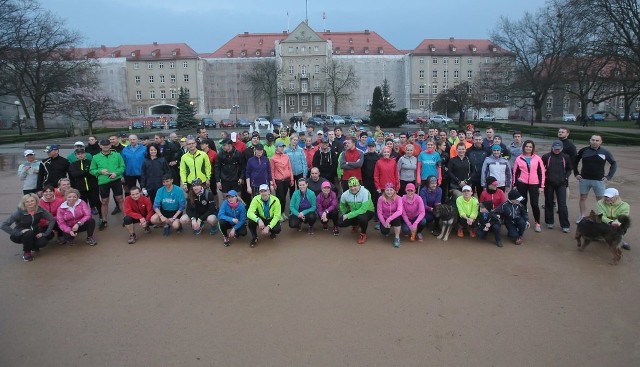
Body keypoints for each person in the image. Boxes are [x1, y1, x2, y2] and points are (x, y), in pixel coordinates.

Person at [574, 134, 617, 223]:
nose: (595, 142)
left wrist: (608, 177)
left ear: (601, 142)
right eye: (593, 140)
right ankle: (582, 216)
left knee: (601, 200)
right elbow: (575, 161)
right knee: (582, 198)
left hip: (599, 180)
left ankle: (602, 218)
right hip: (584, 179)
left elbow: (614, 164)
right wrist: (576, 173)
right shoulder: (583, 151)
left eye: (597, 140)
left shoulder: (605, 152)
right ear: (590, 140)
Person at [2, 193, 55, 261]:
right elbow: (4, 225)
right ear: (24, 203)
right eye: (27, 202)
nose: (30, 203)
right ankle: (27, 252)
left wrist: (45, 233)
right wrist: (18, 232)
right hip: (19, 234)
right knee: (28, 232)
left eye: (32, 201)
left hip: (35, 232)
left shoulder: (40, 210)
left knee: (47, 237)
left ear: (36, 201)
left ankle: (33, 246)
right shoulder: (19, 212)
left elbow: (52, 219)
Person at [90, 139, 126, 230]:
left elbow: (122, 166)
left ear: (110, 145)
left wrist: (116, 173)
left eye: (107, 145)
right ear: (100, 146)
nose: (105, 146)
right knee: (105, 201)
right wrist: (100, 171)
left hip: (115, 179)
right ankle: (104, 220)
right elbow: (91, 170)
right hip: (103, 181)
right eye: (103, 145)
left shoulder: (117, 155)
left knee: (120, 199)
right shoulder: (95, 157)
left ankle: (126, 218)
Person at [512, 140, 545, 233]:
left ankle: (537, 222)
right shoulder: (519, 158)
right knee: (523, 203)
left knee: (534, 204)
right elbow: (515, 172)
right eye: (527, 146)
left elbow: (541, 172)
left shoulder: (538, 158)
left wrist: (541, 186)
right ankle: (524, 220)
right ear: (524, 147)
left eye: (530, 147)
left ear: (533, 148)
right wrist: (514, 184)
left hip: (534, 184)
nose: (528, 148)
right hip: (522, 183)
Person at [541, 140, 572, 233]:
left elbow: (569, 169)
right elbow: (542, 169)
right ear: (552, 147)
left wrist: (565, 177)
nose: (557, 150)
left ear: (562, 148)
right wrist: (545, 177)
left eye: (559, 149)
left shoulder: (566, 157)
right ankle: (549, 222)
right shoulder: (546, 156)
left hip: (561, 184)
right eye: (555, 149)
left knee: (562, 204)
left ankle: (565, 225)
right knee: (549, 202)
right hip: (549, 183)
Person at [338, 177, 375, 245]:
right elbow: (342, 205)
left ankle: (363, 234)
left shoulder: (365, 192)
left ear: (359, 185)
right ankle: (356, 224)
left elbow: (363, 209)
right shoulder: (345, 194)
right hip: (354, 211)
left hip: (368, 211)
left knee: (362, 218)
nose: (353, 188)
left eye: (355, 186)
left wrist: (348, 215)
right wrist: (345, 213)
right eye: (350, 186)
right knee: (340, 222)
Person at [68, 148, 102, 223]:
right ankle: (86, 219)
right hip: (80, 188)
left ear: (85, 154)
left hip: (93, 186)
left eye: (82, 153)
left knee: (97, 202)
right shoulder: (72, 165)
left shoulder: (91, 162)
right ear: (76, 155)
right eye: (78, 154)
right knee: (83, 205)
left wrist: (82, 172)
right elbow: (74, 175)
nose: (80, 155)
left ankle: (101, 217)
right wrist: (86, 171)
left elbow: (94, 172)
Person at [215, 137, 244, 203]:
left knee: (238, 199)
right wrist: (217, 181)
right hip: (225, 180)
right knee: (226, 199)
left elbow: (242, 167)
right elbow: (217, 167)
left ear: (230, 145)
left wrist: (241, 177)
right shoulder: (220, 154)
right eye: (222, 145)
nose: (223, 147)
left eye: (224, 145)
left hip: (236, 180)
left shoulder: (238, 154)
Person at [270, 141, 294, 220]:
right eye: (280, 146)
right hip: (279, 181)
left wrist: (292, 179)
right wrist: (273, 182)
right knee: (279, 198)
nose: (282, 148)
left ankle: (283, 212)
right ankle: (278, 214)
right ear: (276, 147)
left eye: (283, 146)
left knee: (284, 198)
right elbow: (272, 171)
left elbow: (289, 168)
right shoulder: (273, 158)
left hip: (287, 179)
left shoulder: (286, 156)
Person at [377, 183, 403, 248]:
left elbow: (400, 211)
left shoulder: (399, 198)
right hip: (385, 218)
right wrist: (384, 222)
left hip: (394, 217)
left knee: (397, 218)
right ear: (384, 191)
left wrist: (389, 219)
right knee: (384, 232)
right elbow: (379, 212)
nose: (389, 192)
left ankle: (397, 237)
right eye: (387, 190)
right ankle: (387, 230)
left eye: (391, 190)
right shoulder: (380, 198)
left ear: (394, 190)